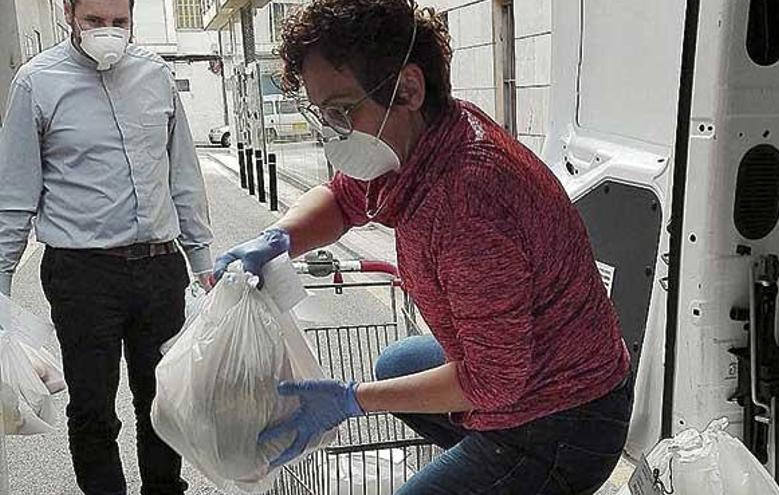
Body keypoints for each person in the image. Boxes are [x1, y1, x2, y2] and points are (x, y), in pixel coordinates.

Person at [214, 0, 632, 492]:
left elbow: (492, 384)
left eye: (340, 111)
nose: (331, 132)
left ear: (409, 88)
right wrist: (277, 240)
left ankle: (514, 469)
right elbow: (345, 198)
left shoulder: (468, 199)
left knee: (400, 398)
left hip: (561, 420)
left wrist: (350, 400)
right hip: (529, 368)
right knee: (396, 365)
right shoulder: (426, 138)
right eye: (319, 113)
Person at [0, 0, 213, 493]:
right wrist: (3, 288)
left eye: (120, 22)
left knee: (163, 400)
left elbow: (183, 174)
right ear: (69, 13)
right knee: (93, 408)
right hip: (81, 273)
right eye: (94, 21)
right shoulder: (36, 82)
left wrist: (201, 261)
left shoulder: (157, 76)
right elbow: (14, 196)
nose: (108, 32)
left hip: (160, 268)